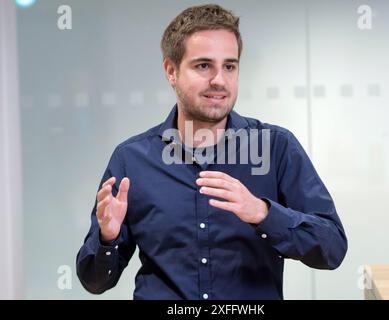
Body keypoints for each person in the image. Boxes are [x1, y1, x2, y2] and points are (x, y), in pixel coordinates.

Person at [76, 4, 347, 300]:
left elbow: (332, 249)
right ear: (171, 71)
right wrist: (107, 238)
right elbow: (95, 282)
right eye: (203, 65)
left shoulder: (276, 148)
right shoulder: (131, 159)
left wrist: (263, 213)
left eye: (229, 66)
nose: (219, 79)